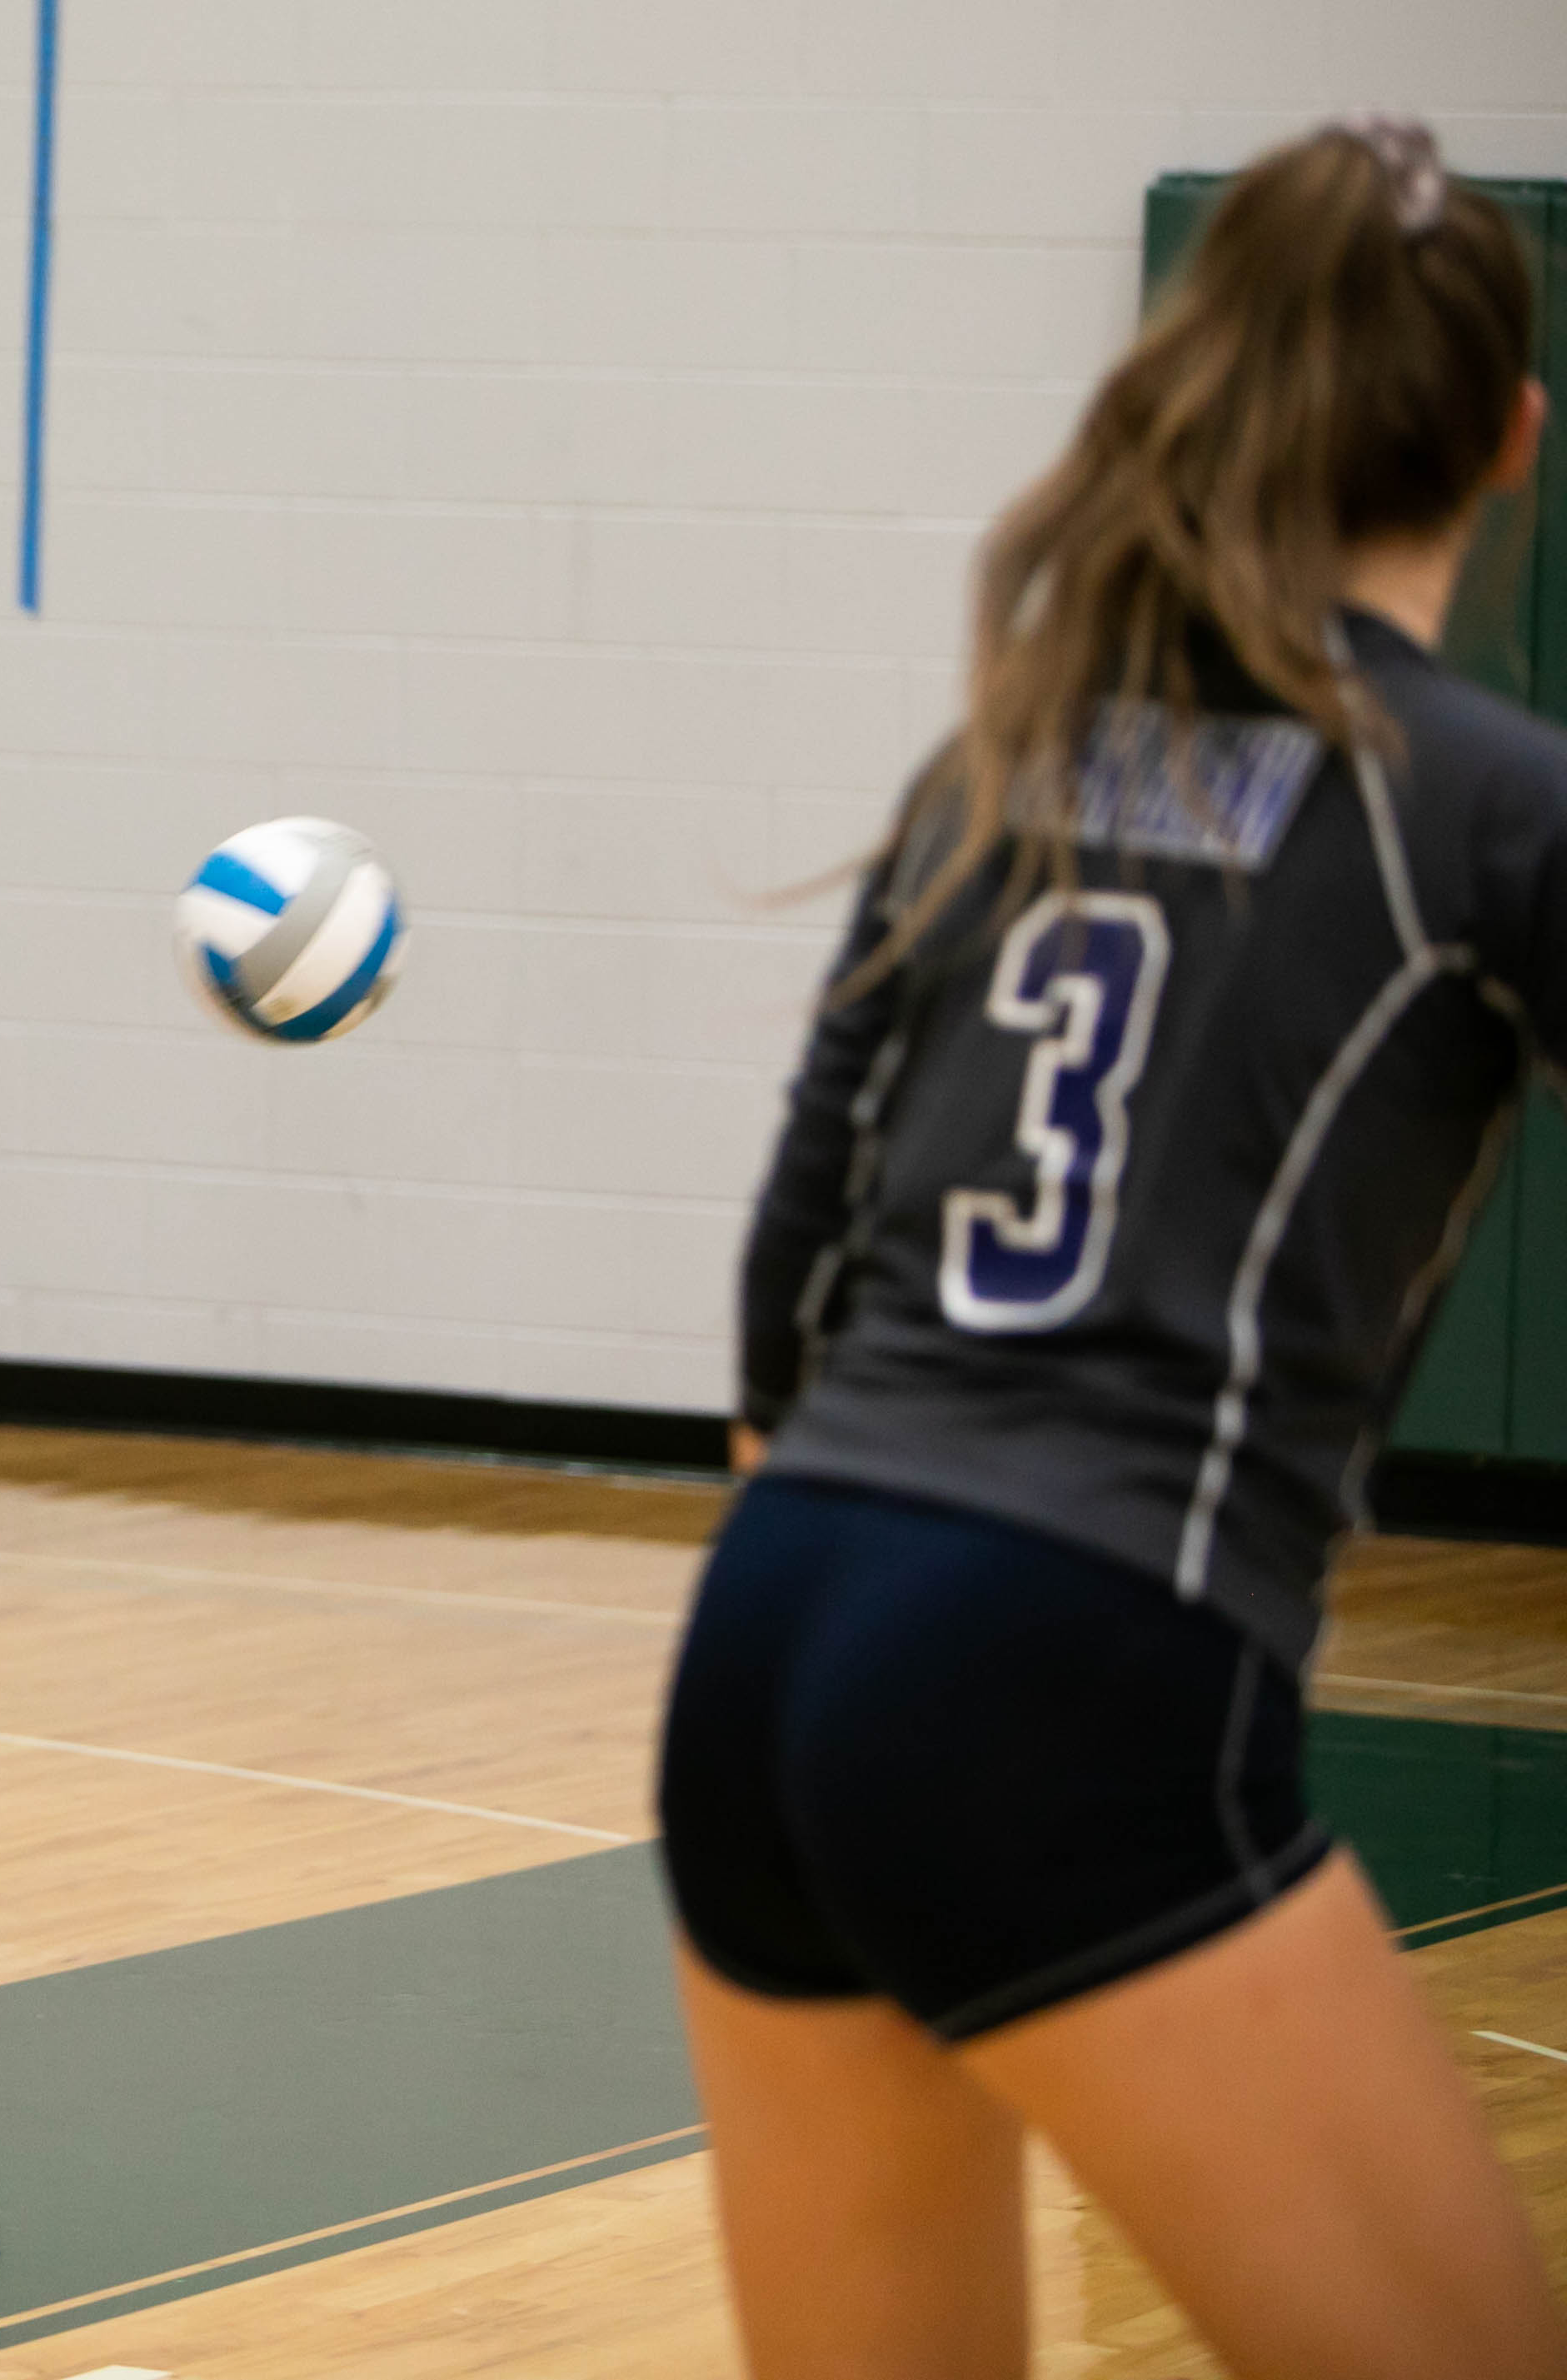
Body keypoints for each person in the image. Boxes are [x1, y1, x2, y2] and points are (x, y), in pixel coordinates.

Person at [666, 119, 1567, 2376]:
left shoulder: (1013, 754)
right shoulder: (1482, 797)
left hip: (769, 1638)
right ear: (1510, 439)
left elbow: (798, 1248)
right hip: (1072, 1644)